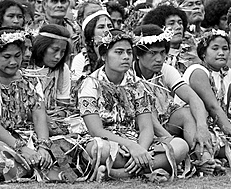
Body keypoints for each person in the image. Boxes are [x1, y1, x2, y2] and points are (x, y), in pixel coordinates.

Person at [78, 29, 188, 180]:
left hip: (135, 140)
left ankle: (119, 173)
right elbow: (96, 130)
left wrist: (140, 149)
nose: (125, 57)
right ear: (104, 56)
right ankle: (142, 169)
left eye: (129, 52)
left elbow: (146, 128)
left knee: (181, 146)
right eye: (119, 52)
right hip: (107, 141)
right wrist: (131, 147)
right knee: (99, 149)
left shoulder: (137, 84)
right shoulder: (90, 84)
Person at [0, 29, 54, 182]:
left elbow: (39, 116)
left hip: (27, 135)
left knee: (58, 147)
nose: (13, 62)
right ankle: (31, 170)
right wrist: (21, 148)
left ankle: (30, 167)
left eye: (17, 56)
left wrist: (43, 146)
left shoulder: (31, 80)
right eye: (6, 57)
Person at [132, 24, 214, 175]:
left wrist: (202, 127)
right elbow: (148, 119)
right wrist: (171, 141)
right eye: (153, 53)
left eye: (163, 53)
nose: (159, 59)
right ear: (138, 54)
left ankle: (205, 159)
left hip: (165, 121)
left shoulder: (166, 70)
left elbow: (193, 98)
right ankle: (193, 160)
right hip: (141, 127)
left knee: (187, 113)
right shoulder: (130, 75)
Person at [178, 29, 231, 167]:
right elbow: (213, 107)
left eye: (225, 48)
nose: (221, 53)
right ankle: (203, 158)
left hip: (213, 125)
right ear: (203, 53)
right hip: (190, 123)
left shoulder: (228, 74)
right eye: (215, 48)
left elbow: (224, 108)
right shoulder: (198, 71)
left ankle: (216, 152)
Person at [25, 24, 72, 132]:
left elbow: (63, 108)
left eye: (62, 52)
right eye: (55, 50)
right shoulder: (26, 68)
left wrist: (52, 118)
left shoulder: (62, 70)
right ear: (42, 46)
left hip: (55, 121)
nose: (58, 56)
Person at [71, 10, 114, 81]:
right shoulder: (80, 59)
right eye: (101, 27)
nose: (107, 30)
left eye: (110, 26)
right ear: (91, 34)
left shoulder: (117, 56)